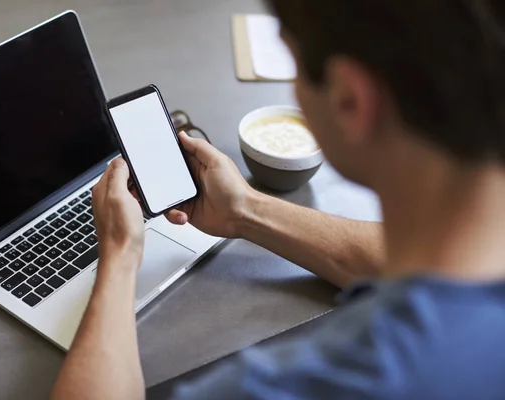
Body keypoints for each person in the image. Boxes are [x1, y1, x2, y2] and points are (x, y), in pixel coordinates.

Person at [51, 0, 505, 398]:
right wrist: (246, 210)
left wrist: (119, 255)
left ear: (350, 100)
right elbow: (419, 265)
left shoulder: (310, 383)